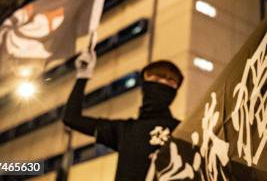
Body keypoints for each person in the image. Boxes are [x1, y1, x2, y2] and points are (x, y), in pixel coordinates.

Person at [62, 43, 182, 181]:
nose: (162, 84)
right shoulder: (124, 130)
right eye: (155, 79)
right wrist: (83, 75)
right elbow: (71, 118)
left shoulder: (184, 130)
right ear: (144, 84)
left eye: (171, 82)